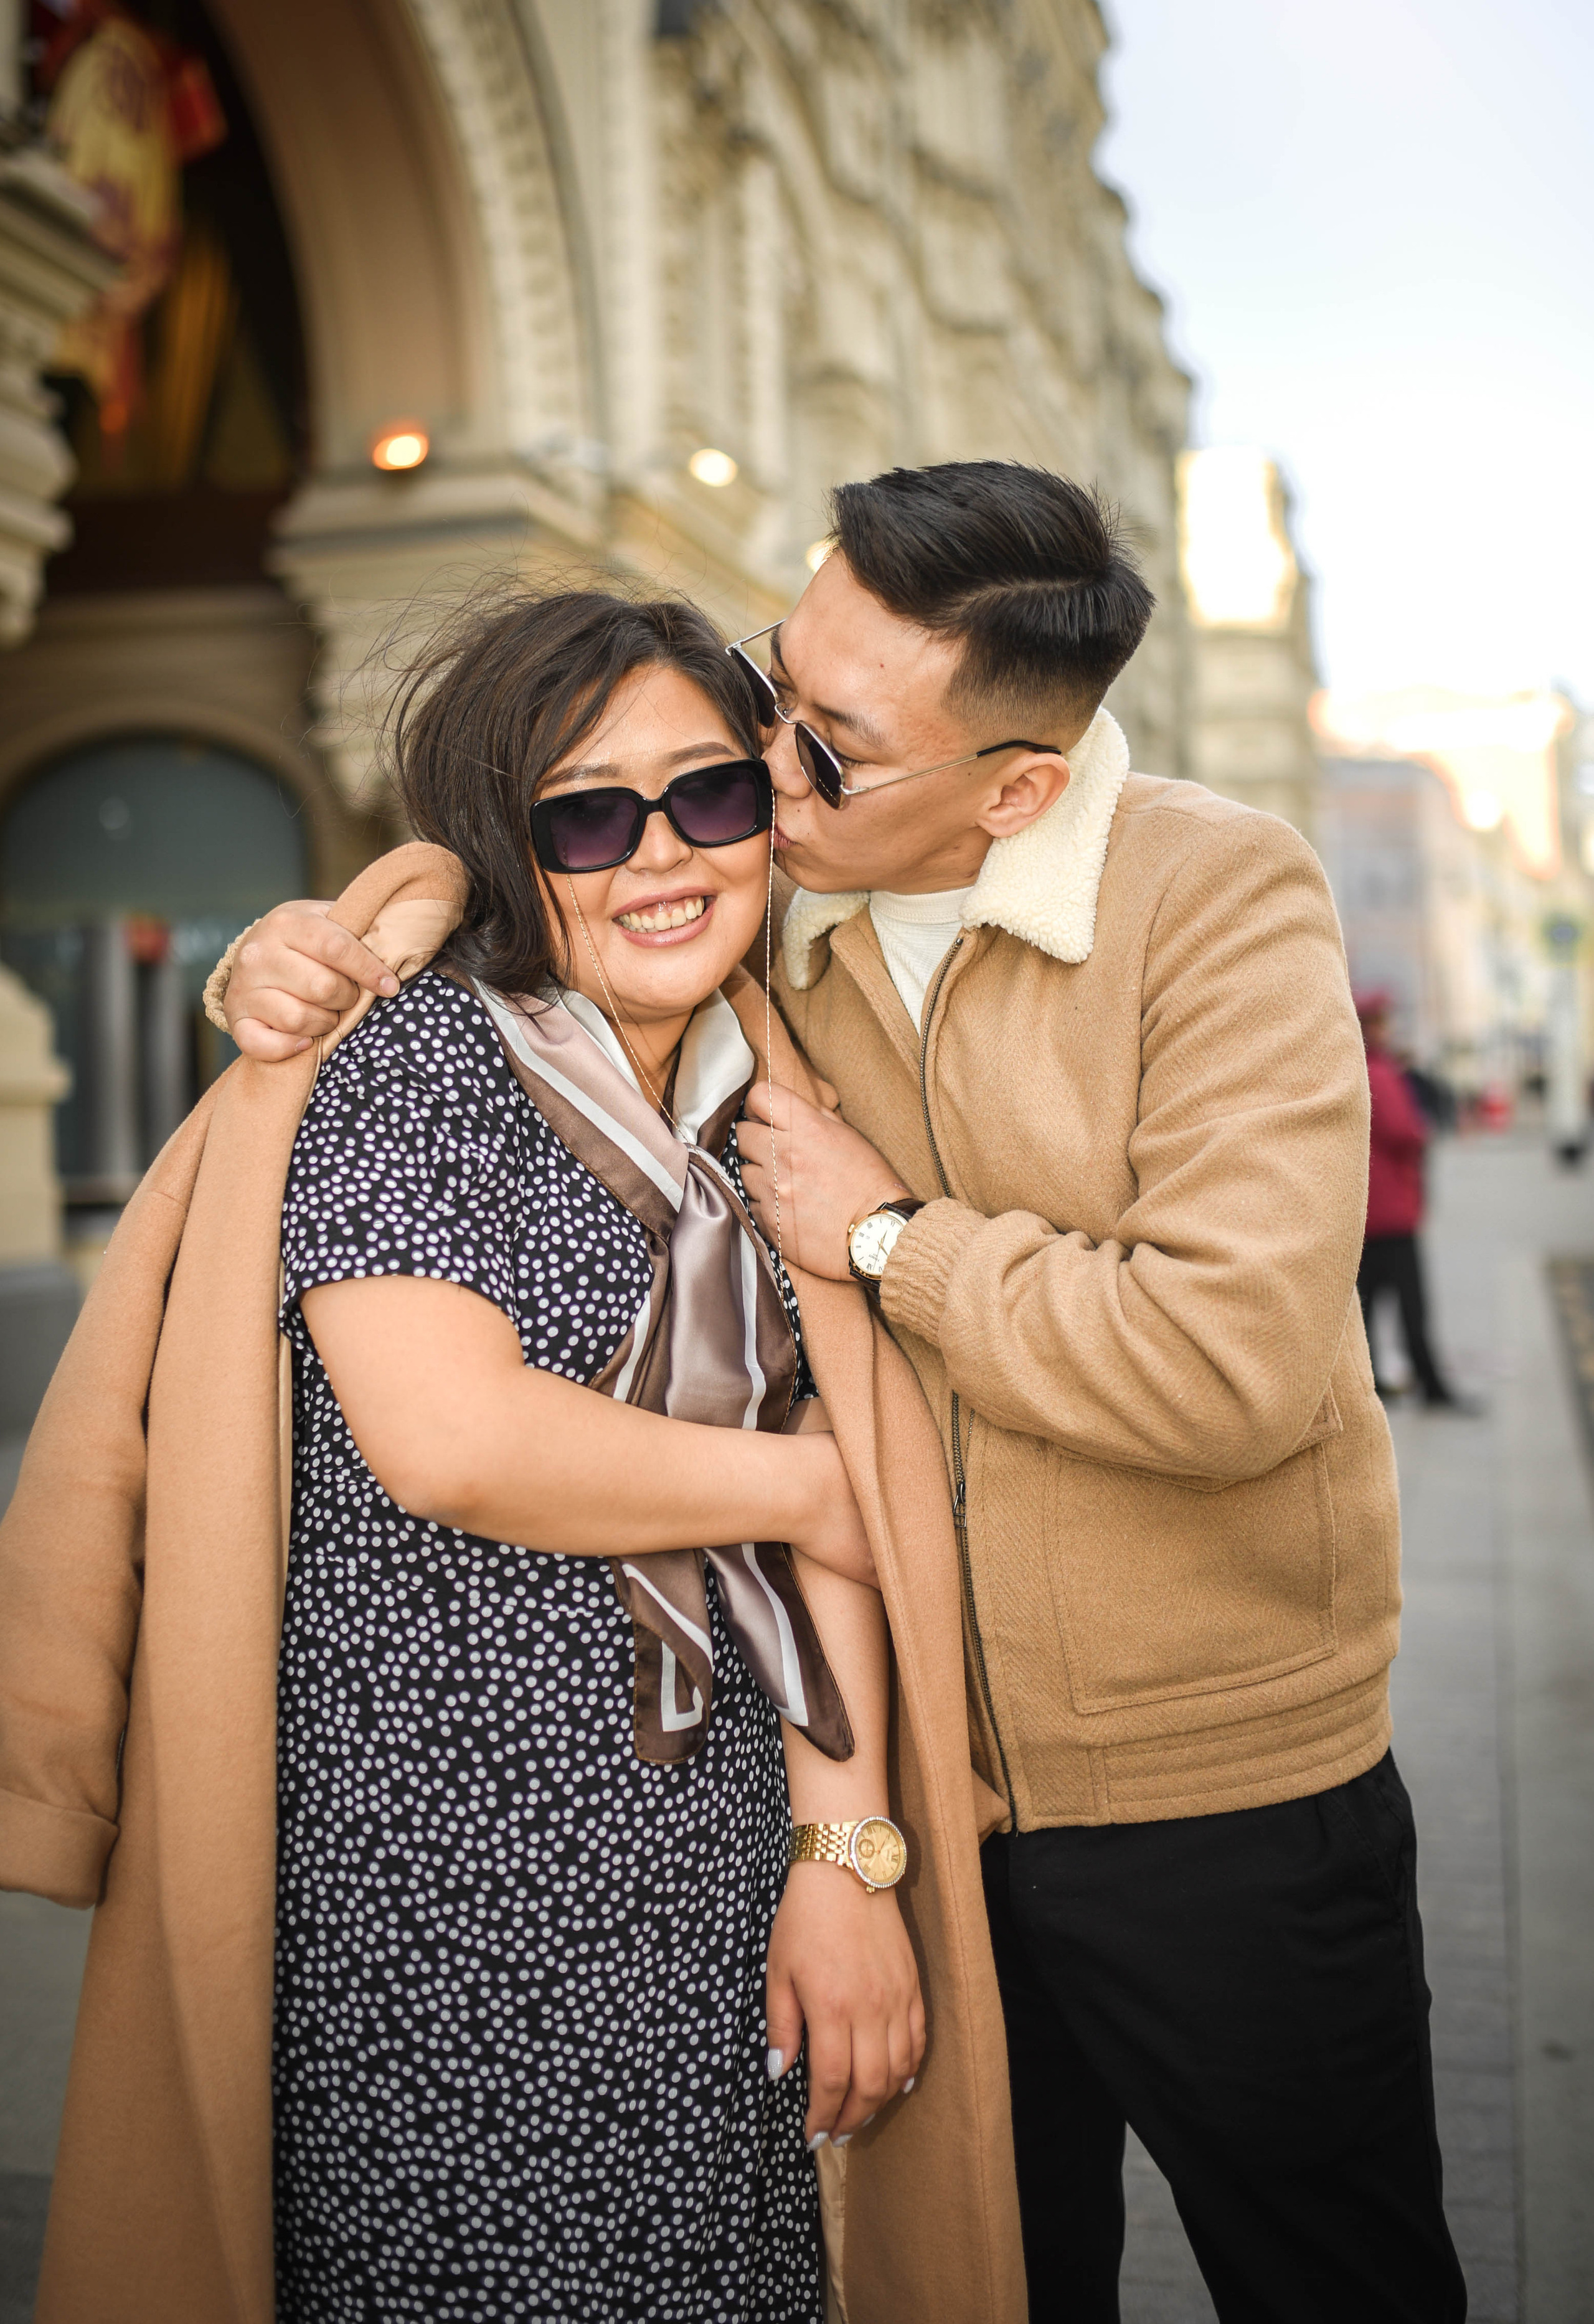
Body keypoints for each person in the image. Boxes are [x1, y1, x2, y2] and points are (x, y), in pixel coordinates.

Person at [228, 462, 1470, 2324]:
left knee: (1331, 2271)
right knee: (984, 2275)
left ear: (1014, 785)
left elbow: (1225, 1358)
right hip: (914, 1800)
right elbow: (557, 843)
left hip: (1204, 1792)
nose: (757, 772)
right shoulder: (774, 899)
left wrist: (892, 1238)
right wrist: (351, 920)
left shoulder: (1212, 896)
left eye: (815, 752)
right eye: (766, 692)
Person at [0, 590, 1029, 2324]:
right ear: (507, 843)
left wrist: (844, 1860)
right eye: (585, 814)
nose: (658, 856)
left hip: (711, 1888)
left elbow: (812, 1514)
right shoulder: (411, 1060)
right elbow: (456, 1440)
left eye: (707, 795)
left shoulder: (765, 1104)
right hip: (435, 1889)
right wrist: (818, 1488)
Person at [1355, 986, 1471, 1409]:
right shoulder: (1380, 1072)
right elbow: (1404, 1132)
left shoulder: (1353, 1068)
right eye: (1384, 1022)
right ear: (1371, 1027)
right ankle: (1432, 1386)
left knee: (1367, 1306)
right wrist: (1424, 1129)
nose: (1390, 1029)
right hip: (1392, 1212)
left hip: (1367, 1211)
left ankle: (1371, 1385)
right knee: (1412, 1304)